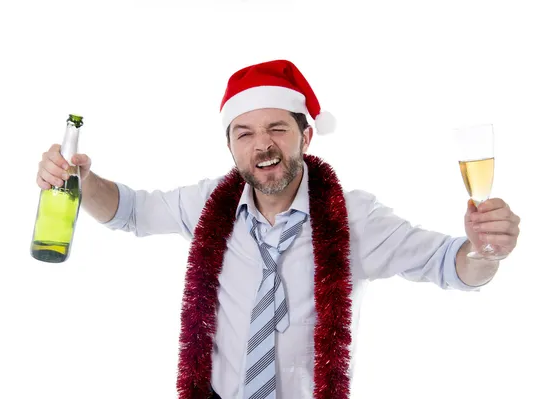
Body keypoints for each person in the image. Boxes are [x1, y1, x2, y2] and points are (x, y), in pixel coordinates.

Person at [36, 59, 521, 399]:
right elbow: (131, 211)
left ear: (305, 136)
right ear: (230, 145)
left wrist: (485, 252)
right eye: (244, 133)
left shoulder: (355, 218)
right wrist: (81, 180)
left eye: (277, 129)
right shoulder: (207, 205)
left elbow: (451, 266)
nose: (262, 145)